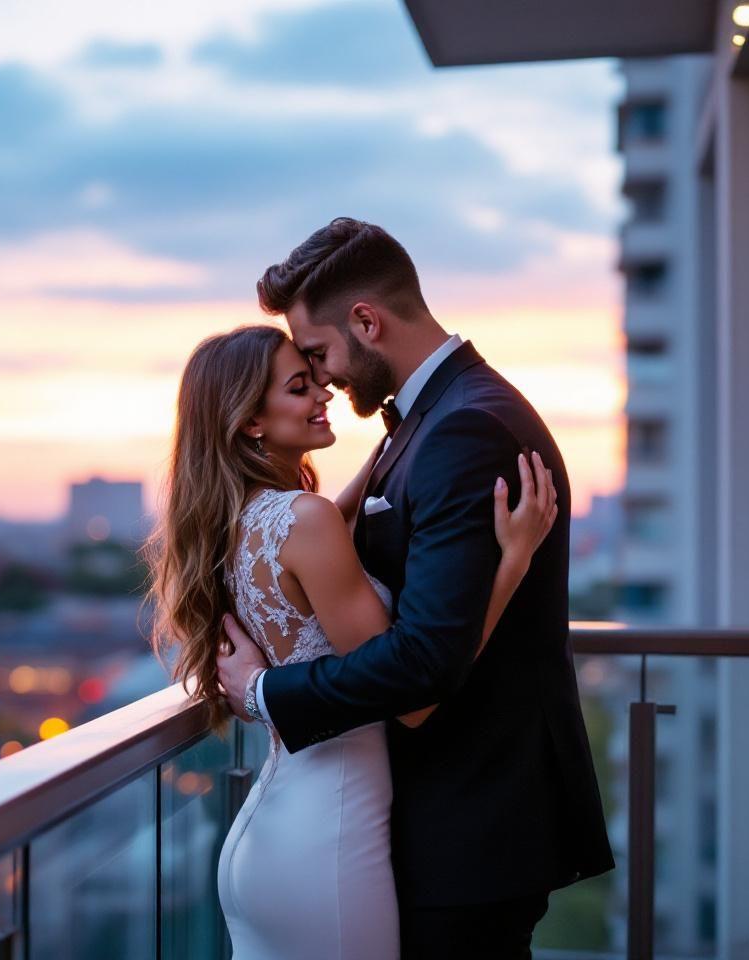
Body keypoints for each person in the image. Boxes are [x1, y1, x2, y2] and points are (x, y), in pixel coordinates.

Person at [214, 218, 614, 958]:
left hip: (471, 821)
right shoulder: (429, 421)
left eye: (319, 355)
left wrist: (265, 692)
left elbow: (426, 662)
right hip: (422, 816)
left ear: (367, 321)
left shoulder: (466, 429)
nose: (324, 380)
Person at [148, 320, 559, 959]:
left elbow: (325, 527)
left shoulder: (242, 521)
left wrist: (392, 441)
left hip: (273, 830)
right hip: (331, 838)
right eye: (298, 387)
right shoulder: (305, 520)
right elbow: (415, 696)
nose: (324, 393)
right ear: (250, 421)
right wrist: (513, 563)